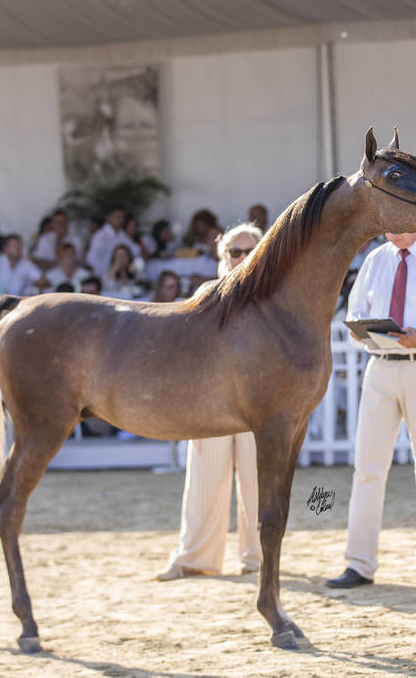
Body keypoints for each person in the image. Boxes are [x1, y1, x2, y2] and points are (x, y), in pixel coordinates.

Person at [325, 228, 416, 589]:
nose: (392, 233)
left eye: (399, 225)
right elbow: (354, 312)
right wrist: (359, 329)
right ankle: (359, 562)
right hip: (380, 367)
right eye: (387, 227)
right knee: (367, 467)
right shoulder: (376, 258)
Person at [156, 223, 265, 581]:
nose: (243, 257)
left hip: (257, 403)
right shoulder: (206, 294)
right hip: (212, 402)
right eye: (236, 251)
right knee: (203, 480)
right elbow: (188, 350)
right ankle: (193, 557)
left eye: (250, 250)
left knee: (258, 483)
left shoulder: (274, 293)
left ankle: (257, 557)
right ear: (224, 257)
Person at [86, 205, 139, 274]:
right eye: (117, 216)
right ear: (108, 217)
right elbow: (90, 260)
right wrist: (109, 271)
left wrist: (130, 271)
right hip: (103, 275)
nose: (120, 219)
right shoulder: (100, 236)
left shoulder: (123, 235)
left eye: (122, 217)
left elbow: (137, 253)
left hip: (122, 276)